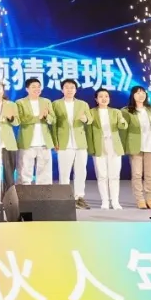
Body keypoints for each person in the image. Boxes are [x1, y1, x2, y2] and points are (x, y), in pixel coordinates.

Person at [53, 78, 93, 210]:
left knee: (81, 171)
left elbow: (90, 120)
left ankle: (79, 197)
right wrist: (55, 142)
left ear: (76, 90)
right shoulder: (56, 104)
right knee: (64, 172)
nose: (69, 90)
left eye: (72, 87)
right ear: (62, 90)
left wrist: (85, 119)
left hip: (80, 142)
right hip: (64, 142)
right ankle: (65, 197)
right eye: (66, 87)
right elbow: (54, 125)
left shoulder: (83, 104)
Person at [85, 89, 128, 210]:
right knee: (102, 175)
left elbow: (123, 126)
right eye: (101, 96)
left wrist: (122, 121)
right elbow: (89, 131)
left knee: (114, 175)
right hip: (99, 146)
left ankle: (115, 201)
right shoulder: (91, 112)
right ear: (96, 99)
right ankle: (104, 201)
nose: (104, 99)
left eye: (106, 96)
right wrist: (91, 148)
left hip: (114, 146)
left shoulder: (116, 112)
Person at [122, 85, 151, 210]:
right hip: (135, 146)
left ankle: (150, 198)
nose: (141, 95)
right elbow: (123, 130)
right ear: (133, 95)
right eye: (138, 93)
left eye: (143, 92)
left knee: (150, 175)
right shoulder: (126, 111)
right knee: (137, 174)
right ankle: (140, 199)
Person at [15, 78, 55, 185]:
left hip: (44, 142)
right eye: (33, 87)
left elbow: (53, 120)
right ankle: (24, 192)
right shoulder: (20, 103)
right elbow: (21, 120)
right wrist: (38, 117)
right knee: (24, 171)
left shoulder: (46, 101)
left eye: (38, 87)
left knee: (45, 173)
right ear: (27, 89)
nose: (37, 89)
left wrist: (46, 117)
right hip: (27, 142)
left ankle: (44, 193)